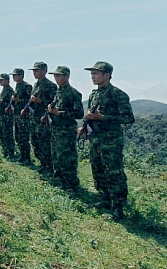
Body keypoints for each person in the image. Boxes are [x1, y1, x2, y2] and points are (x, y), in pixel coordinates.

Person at [84, 61, 135, 220]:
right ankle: (105, 199)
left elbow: (128, 118)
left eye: (96, 73)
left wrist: (103, 117)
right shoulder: (94, 94)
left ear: (106, 75)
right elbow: (91, 115)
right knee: (97, 170)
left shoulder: (117, 94)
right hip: (95, 139)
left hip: (111, 141)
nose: (93, 76)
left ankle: (118, 206)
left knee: (113, 172)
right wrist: (86, 126)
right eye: (92, 73)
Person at [46, 66, 83, 192]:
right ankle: (60, 181)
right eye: (55, 76)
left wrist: (59, 113)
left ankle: (71, 184)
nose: (56, 78)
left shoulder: (73, 93)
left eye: (59, 76)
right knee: (56, 157)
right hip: (56, 129)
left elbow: (79, 114)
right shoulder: (58, 92)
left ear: (67, 77)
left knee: (67, 158)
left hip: (66, 131)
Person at [29, 62, 57, 178]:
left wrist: (40, 101)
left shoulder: (51, 86)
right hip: (34, 117)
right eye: (33, 71)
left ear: (44, 71)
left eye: (37, 70)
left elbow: (53, 103)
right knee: (36, 143)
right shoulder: (35, 85)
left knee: (45, 144)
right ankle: (42, 164)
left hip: (44, 118)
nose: (34, 73)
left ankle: (49, 167)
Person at [12, 68, 33, 165]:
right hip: (17, 115)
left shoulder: (26, 86)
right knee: (18, 137)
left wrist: (18, 100)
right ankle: (22, 155)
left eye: (15, 75)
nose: (14, 76)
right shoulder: (17, 86)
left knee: (24, 137)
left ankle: (27, 158)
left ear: (21, 75)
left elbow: (30, 102)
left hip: (24, 116)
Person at [0, 73, 16, 159]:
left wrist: (1, 103)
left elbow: (11, 104)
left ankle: (10, 153)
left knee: (8, 134)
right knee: (2, 134)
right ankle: (5, 152)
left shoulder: (10, 90)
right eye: (0, 80)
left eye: (2, 80)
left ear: (7, 80)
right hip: (1, 115)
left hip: (7, 116)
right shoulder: (3, 90)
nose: (0, 81)